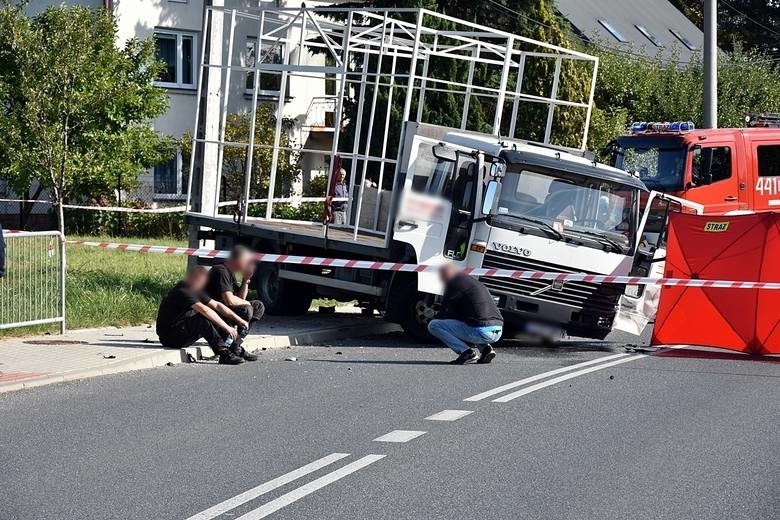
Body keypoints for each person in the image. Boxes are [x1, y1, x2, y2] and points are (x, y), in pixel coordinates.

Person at [156, 266, 255, 365]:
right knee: (201, 318)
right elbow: (205, 310)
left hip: (182, 331)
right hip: (170, 337)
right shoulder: (182, 291)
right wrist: (226, 327)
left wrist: (238, 320)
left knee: (213, 317)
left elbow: (217, 305)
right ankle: (223, 354)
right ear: (192, 278)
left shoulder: (195, 290)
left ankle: (235, 348)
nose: (202, 284)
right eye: (200, 281)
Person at [428, 263, 504, 364]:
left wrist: (433, 316)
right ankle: (486, 350)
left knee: (434, 325)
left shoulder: (453, 284)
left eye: (441, 275)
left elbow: (446, 312)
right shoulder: (473, 282)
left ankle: (466, 352)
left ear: (447, 274)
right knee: (470, 321)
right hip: (498, 330)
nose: (440, 278)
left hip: (481, 332)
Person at [206, 245, 265, 340]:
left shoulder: (230, 273)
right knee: (246, 309)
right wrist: (247, 304)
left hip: (225, 308)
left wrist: (245, 280)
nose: (248, 264)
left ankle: (237, 338)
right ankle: (231, 341)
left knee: (258, 306)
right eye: (247, 261)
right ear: (238, 260)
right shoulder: (221, 271)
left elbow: (240, 299)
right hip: (214, 311)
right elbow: (230, 300)